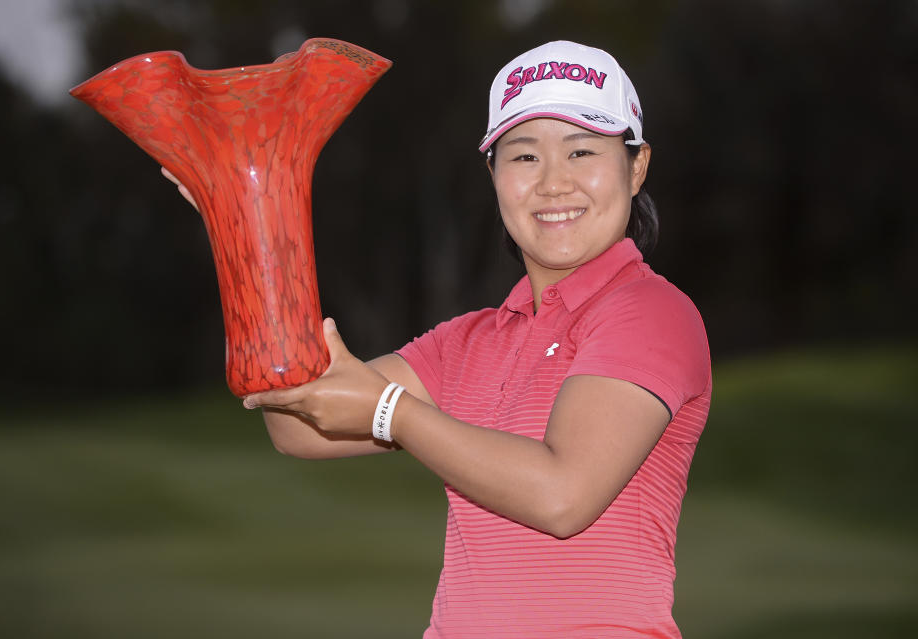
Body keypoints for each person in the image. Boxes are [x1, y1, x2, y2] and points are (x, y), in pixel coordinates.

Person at [166, 40, 711, 638]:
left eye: (582, 151)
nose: (555, 183)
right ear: (494, 175)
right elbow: (297, 425)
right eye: (524, 157)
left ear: (637, 167)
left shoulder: (652, 311)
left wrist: (392, 414)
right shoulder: (468, 341)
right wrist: (245, 222)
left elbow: (563, 496)